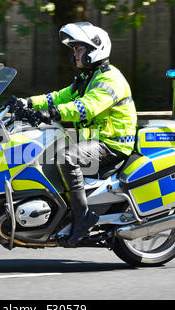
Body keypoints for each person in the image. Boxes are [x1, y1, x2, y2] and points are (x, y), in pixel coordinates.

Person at [16, 22, 137, 244]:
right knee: (41, 148)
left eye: (79, 49)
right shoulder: (86, 78)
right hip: (93, 139)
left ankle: (82, 217)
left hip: (112, 143)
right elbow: (59, 97)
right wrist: (27, 102)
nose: (75, 54)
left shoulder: (110, 79)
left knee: (66, 157)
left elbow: (86, 107)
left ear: (95, 50)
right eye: (74, 50)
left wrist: (51, 113)